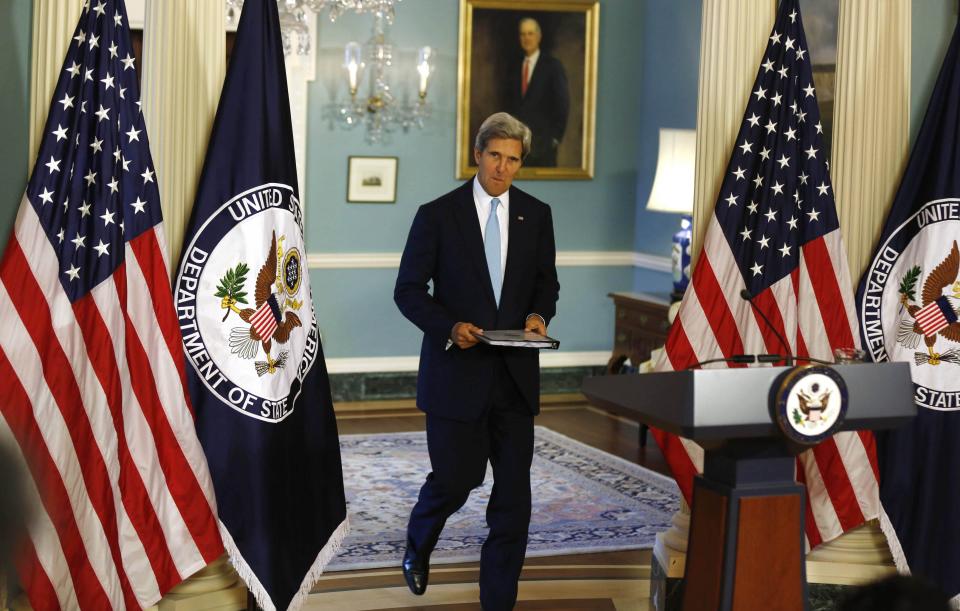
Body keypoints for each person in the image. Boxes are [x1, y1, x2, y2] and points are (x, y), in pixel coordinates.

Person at [394, 111, 560, 610]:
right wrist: (449, 327)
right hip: (456, 375)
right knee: (456, 479)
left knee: (513, 502)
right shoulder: (437, 214)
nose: (502, 169)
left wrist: (537, 314)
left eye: (512, 160)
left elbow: (546, 284)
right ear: (477, 153)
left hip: (514, 379)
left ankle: (498, 601)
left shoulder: (538, 214)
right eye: (495, 156)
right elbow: (407, 291)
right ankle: (419, 541)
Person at [504, 17, 570, 167]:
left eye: (530, 33)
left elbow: (562, 104)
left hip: (543, 148)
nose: (526, 38)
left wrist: (554, 139)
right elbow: (508, 105)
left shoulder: (553, 66)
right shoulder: (514, 67)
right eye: (523, 34)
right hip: (516, 149)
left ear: (539, 36)